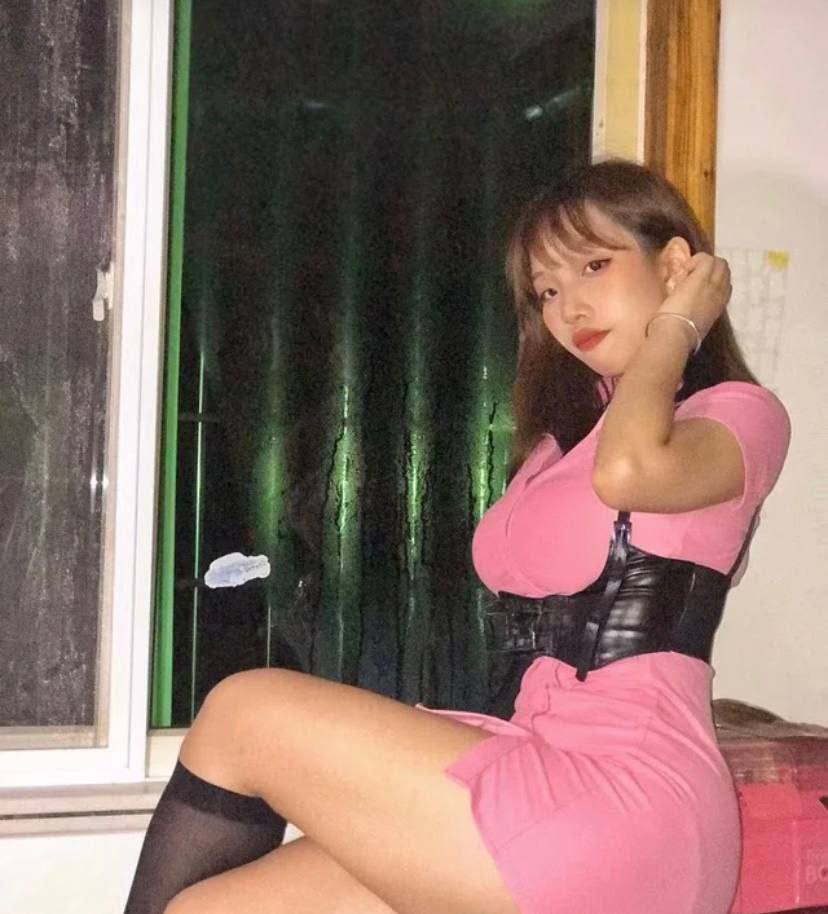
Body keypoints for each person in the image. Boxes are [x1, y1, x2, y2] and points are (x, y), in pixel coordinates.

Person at [124, 159, 791, 914]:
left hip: (633, 799)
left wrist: (679, 324)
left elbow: (630, 472)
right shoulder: (560, 444)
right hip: (536, 759)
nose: (569, 306)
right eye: (546, 291)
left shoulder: (737, 415)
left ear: (675, 264)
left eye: (593, 266)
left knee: (245, 711)